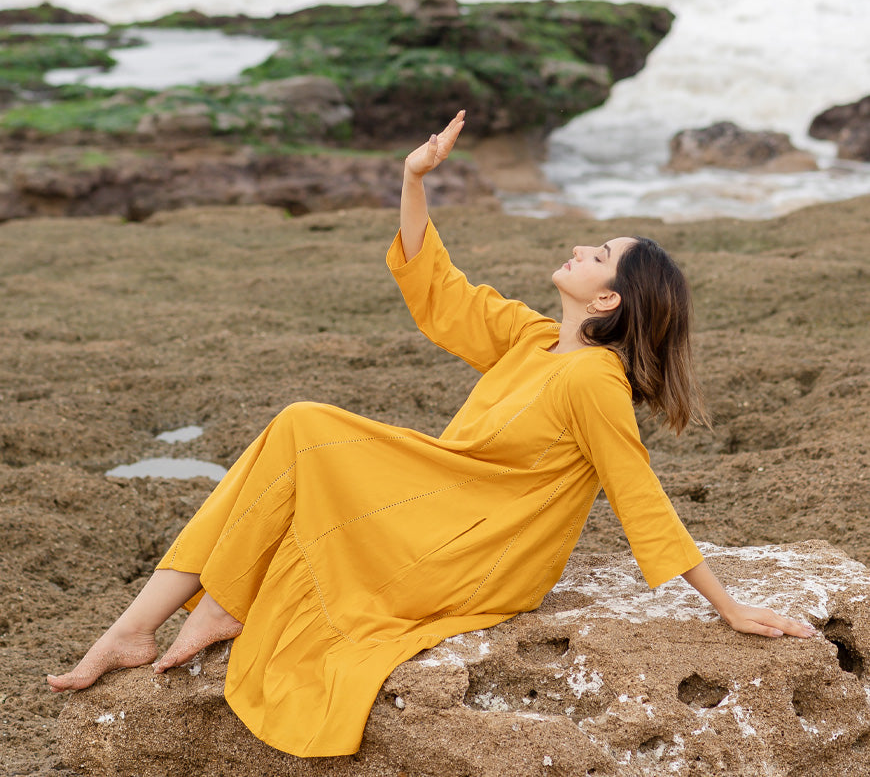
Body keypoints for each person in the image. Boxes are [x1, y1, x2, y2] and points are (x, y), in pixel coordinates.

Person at [47, 110, 815, 756]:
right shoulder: (531, 339)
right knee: (296, 436)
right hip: (433, 510)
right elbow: (437, 289)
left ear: (610, 297)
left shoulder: (592, 381)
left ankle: (192, 609)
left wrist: (727, 606)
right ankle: (152, 622)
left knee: (305, 426)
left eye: (599, 253)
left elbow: (637, 494)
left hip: (471, 550)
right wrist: (414, 181)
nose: (580, 247)